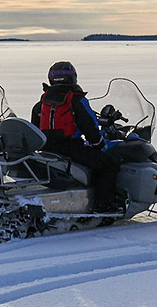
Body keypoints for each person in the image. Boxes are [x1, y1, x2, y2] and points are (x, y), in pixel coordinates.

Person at [32, 61, 120, 211]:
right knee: (108, 165)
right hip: (70, 148)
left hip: (47, 148)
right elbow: (89, 126)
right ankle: (103, 205)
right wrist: (99, 145)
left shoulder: (42, 102)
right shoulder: (76, 100)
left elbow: (35, 128)